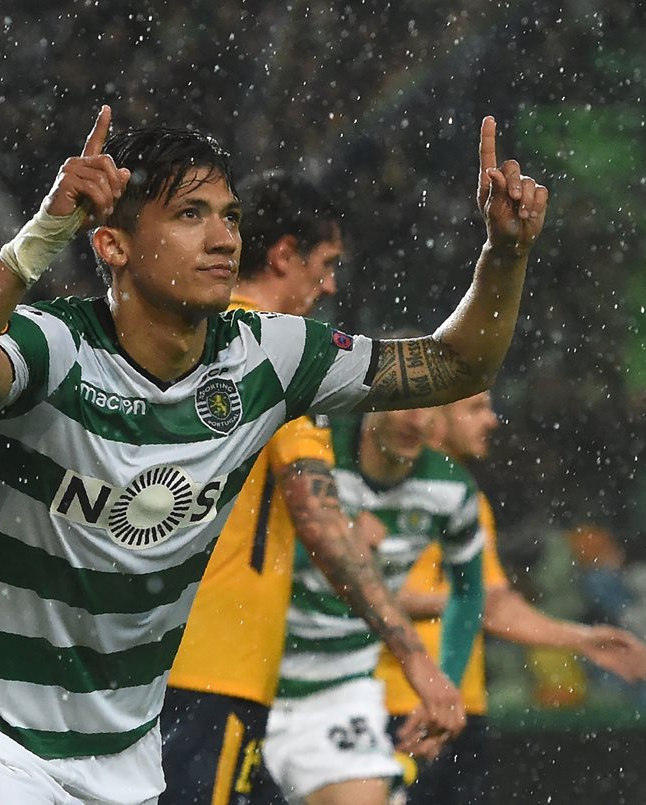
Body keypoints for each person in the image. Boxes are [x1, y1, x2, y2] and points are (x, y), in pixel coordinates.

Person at [0, 105, 549, 804]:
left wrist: (503, 255)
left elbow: (455, 367)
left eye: (230, 217)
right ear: (112, 245)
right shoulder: (56, 346)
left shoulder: (269, 353)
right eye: (189, 215)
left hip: (120, 750)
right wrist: (45, 233)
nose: (222, 238)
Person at [163, 172, 451, 805]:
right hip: (218, 663)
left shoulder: (179, 335)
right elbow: (320, 526)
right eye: (325, 265)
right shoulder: (278, 354)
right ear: (283, 254)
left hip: (146, 655)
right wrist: (415, 658)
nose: (330, 286)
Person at [376, 392, 646, 805]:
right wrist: (459, 601)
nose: (492, 421)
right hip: (393, 708)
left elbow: (494, 602)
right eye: (474, 408)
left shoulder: (465, 497)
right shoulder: (383, 484)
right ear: (432, 416)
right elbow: (356, 590)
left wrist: (579, 639)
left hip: (460, 712)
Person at [261, 405, 485, 805]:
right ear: (375, 401)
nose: (417, 421)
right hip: (248, 675)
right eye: (407, 406)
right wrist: (333, 545)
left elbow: (469, 595)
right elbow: (252, 552)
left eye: (431, 410)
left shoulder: (451, 490)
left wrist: (441, 689)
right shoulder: (314, 453)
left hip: (338, 691)